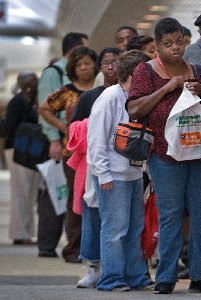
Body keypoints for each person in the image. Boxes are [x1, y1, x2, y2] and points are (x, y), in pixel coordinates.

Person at [126, 17, 201, 294]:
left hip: (199, 155)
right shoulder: (145, 71)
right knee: (170, 215)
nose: (175, 48)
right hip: (164, 156)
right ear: (157, 46)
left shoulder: (196, 69)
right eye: (168, 44)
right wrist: (166, 88)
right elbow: (134, 109)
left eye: (180, 42)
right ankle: (166, 276)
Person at [87, 50, 152, 292]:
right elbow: (96, 139)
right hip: (112, 176)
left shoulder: (136, 99)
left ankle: (135, 275)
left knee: (135, 227)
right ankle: (111, 277)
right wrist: (102, 173)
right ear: (135, 74)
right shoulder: (110, 98)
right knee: (115, 229)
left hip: (133, 174)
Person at [39, 46, 98, 263]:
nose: (83, 68)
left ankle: (94, 247)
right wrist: (63, 128)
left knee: (96, 199)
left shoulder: (102, 88)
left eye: (88, 63)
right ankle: (73, 248)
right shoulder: (67, 91)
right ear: (73, 68)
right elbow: (44, 108)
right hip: (73, 152)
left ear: (95, 65)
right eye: (79, 64)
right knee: (76, 198)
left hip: (100, 150)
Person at [69, 47, 122, 288]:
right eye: (106, 63)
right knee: (93, 215)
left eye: (116, 62)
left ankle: (119, 267)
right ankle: (93, 266)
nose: (111, 67)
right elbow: (74, 130)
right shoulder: (90, 97)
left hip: (125, 166)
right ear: (100, 67)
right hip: (94, 167)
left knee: (121, 220)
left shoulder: (130, 94)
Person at [4, 72, 39, 246]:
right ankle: (19, 233)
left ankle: (25, 232)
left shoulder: (32, 101)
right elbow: (9, 128)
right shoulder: (17, 102)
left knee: (29, 194)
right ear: (25, 84)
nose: (35, 83)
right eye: (32, 81)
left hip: (29, 152)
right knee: (21, 193)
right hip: (18, 152)